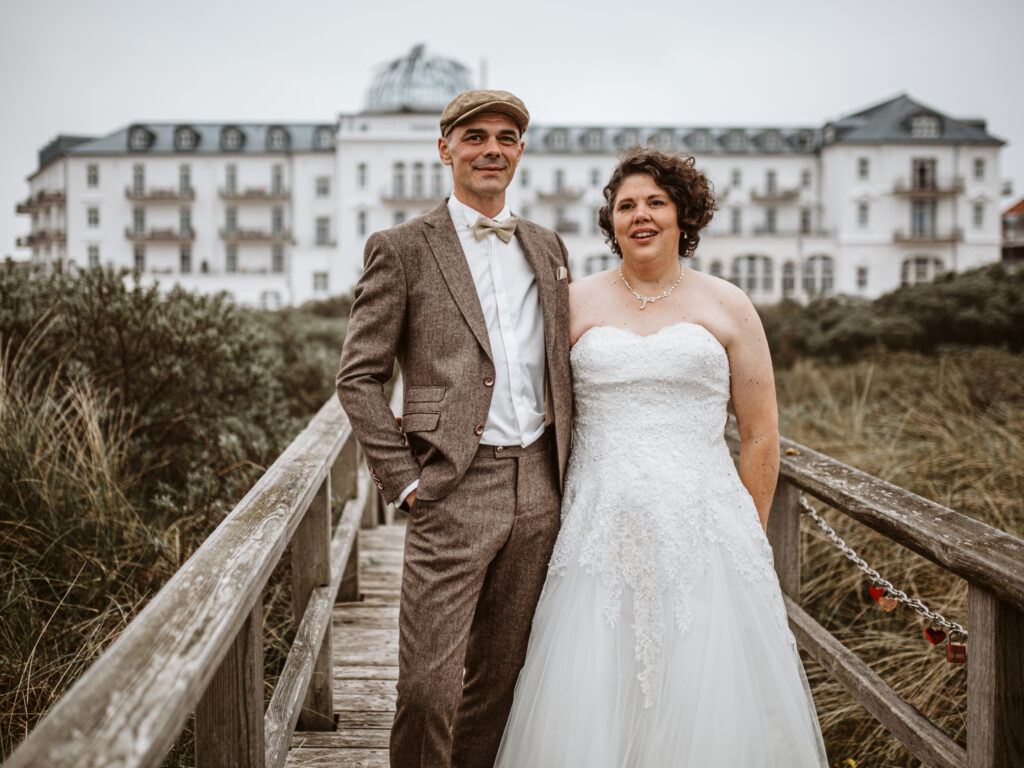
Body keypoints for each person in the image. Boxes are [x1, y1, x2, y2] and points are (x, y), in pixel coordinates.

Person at [494, 147, 828, 767]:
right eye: (626, 206)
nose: (640, 215)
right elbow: (520, 399)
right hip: (598, 527)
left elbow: (760, 434)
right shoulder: (572, 303)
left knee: (710, 693)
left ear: (683, 216)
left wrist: (746, 535)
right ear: (611, 222)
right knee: (592, 687)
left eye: (656, 202)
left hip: (706, 533)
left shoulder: (728, 305)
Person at [335, 90, 572, 768]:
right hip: (452, 487)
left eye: (506, 137)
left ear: (520, 151)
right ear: (446, 149)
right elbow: (358, 377)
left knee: (499, 681)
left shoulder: (548, 247)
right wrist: (405, 481)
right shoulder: (402, 248)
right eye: (474, 137)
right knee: (426, 688)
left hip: (540, 486)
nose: (491, 148)